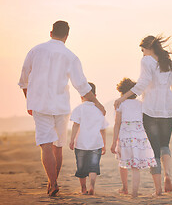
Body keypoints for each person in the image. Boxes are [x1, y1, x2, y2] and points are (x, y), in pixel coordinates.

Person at [18, 21, 106, 196]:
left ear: (51, 33)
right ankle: (52, 183)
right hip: (61, 106)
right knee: (57, 147)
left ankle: (53, 182)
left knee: (45, 146)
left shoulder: (35, 51)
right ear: (67, 36)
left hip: (40, 105)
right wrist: (98, 104)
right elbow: (82, 86)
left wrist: (30, 101)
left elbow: (23, 80)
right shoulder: (70, 56)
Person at [114, 35, 172, 196]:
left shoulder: (147, 61)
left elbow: (142, 83)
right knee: (165, 145)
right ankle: (168, 176)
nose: (142, 53)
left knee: (154, 150)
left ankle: (158, 190)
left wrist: (123, 97)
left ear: (148, 48)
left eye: (142, 50)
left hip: (151, 110)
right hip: (168, 110)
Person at [111, 78, 157, 198]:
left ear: (121, 91)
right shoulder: (141, 104)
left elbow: (117, 124)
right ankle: (135, 193)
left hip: (125, 136)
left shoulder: (120, 104)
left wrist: (113, 142)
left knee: (123, 162)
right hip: (139, 137)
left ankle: (125, 188)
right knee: (135, 167)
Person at [69, 82, 108, 195]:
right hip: (96, 144)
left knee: (81, 167)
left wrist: (72, 140)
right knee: (93, 167)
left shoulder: (79, 109)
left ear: (81, 96)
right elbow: (103, 129)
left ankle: (83, 188)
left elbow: (75, 125)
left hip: (81, 144)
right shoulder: (99, 111)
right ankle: (92, 186)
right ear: (95, 96)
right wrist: (104, 144)